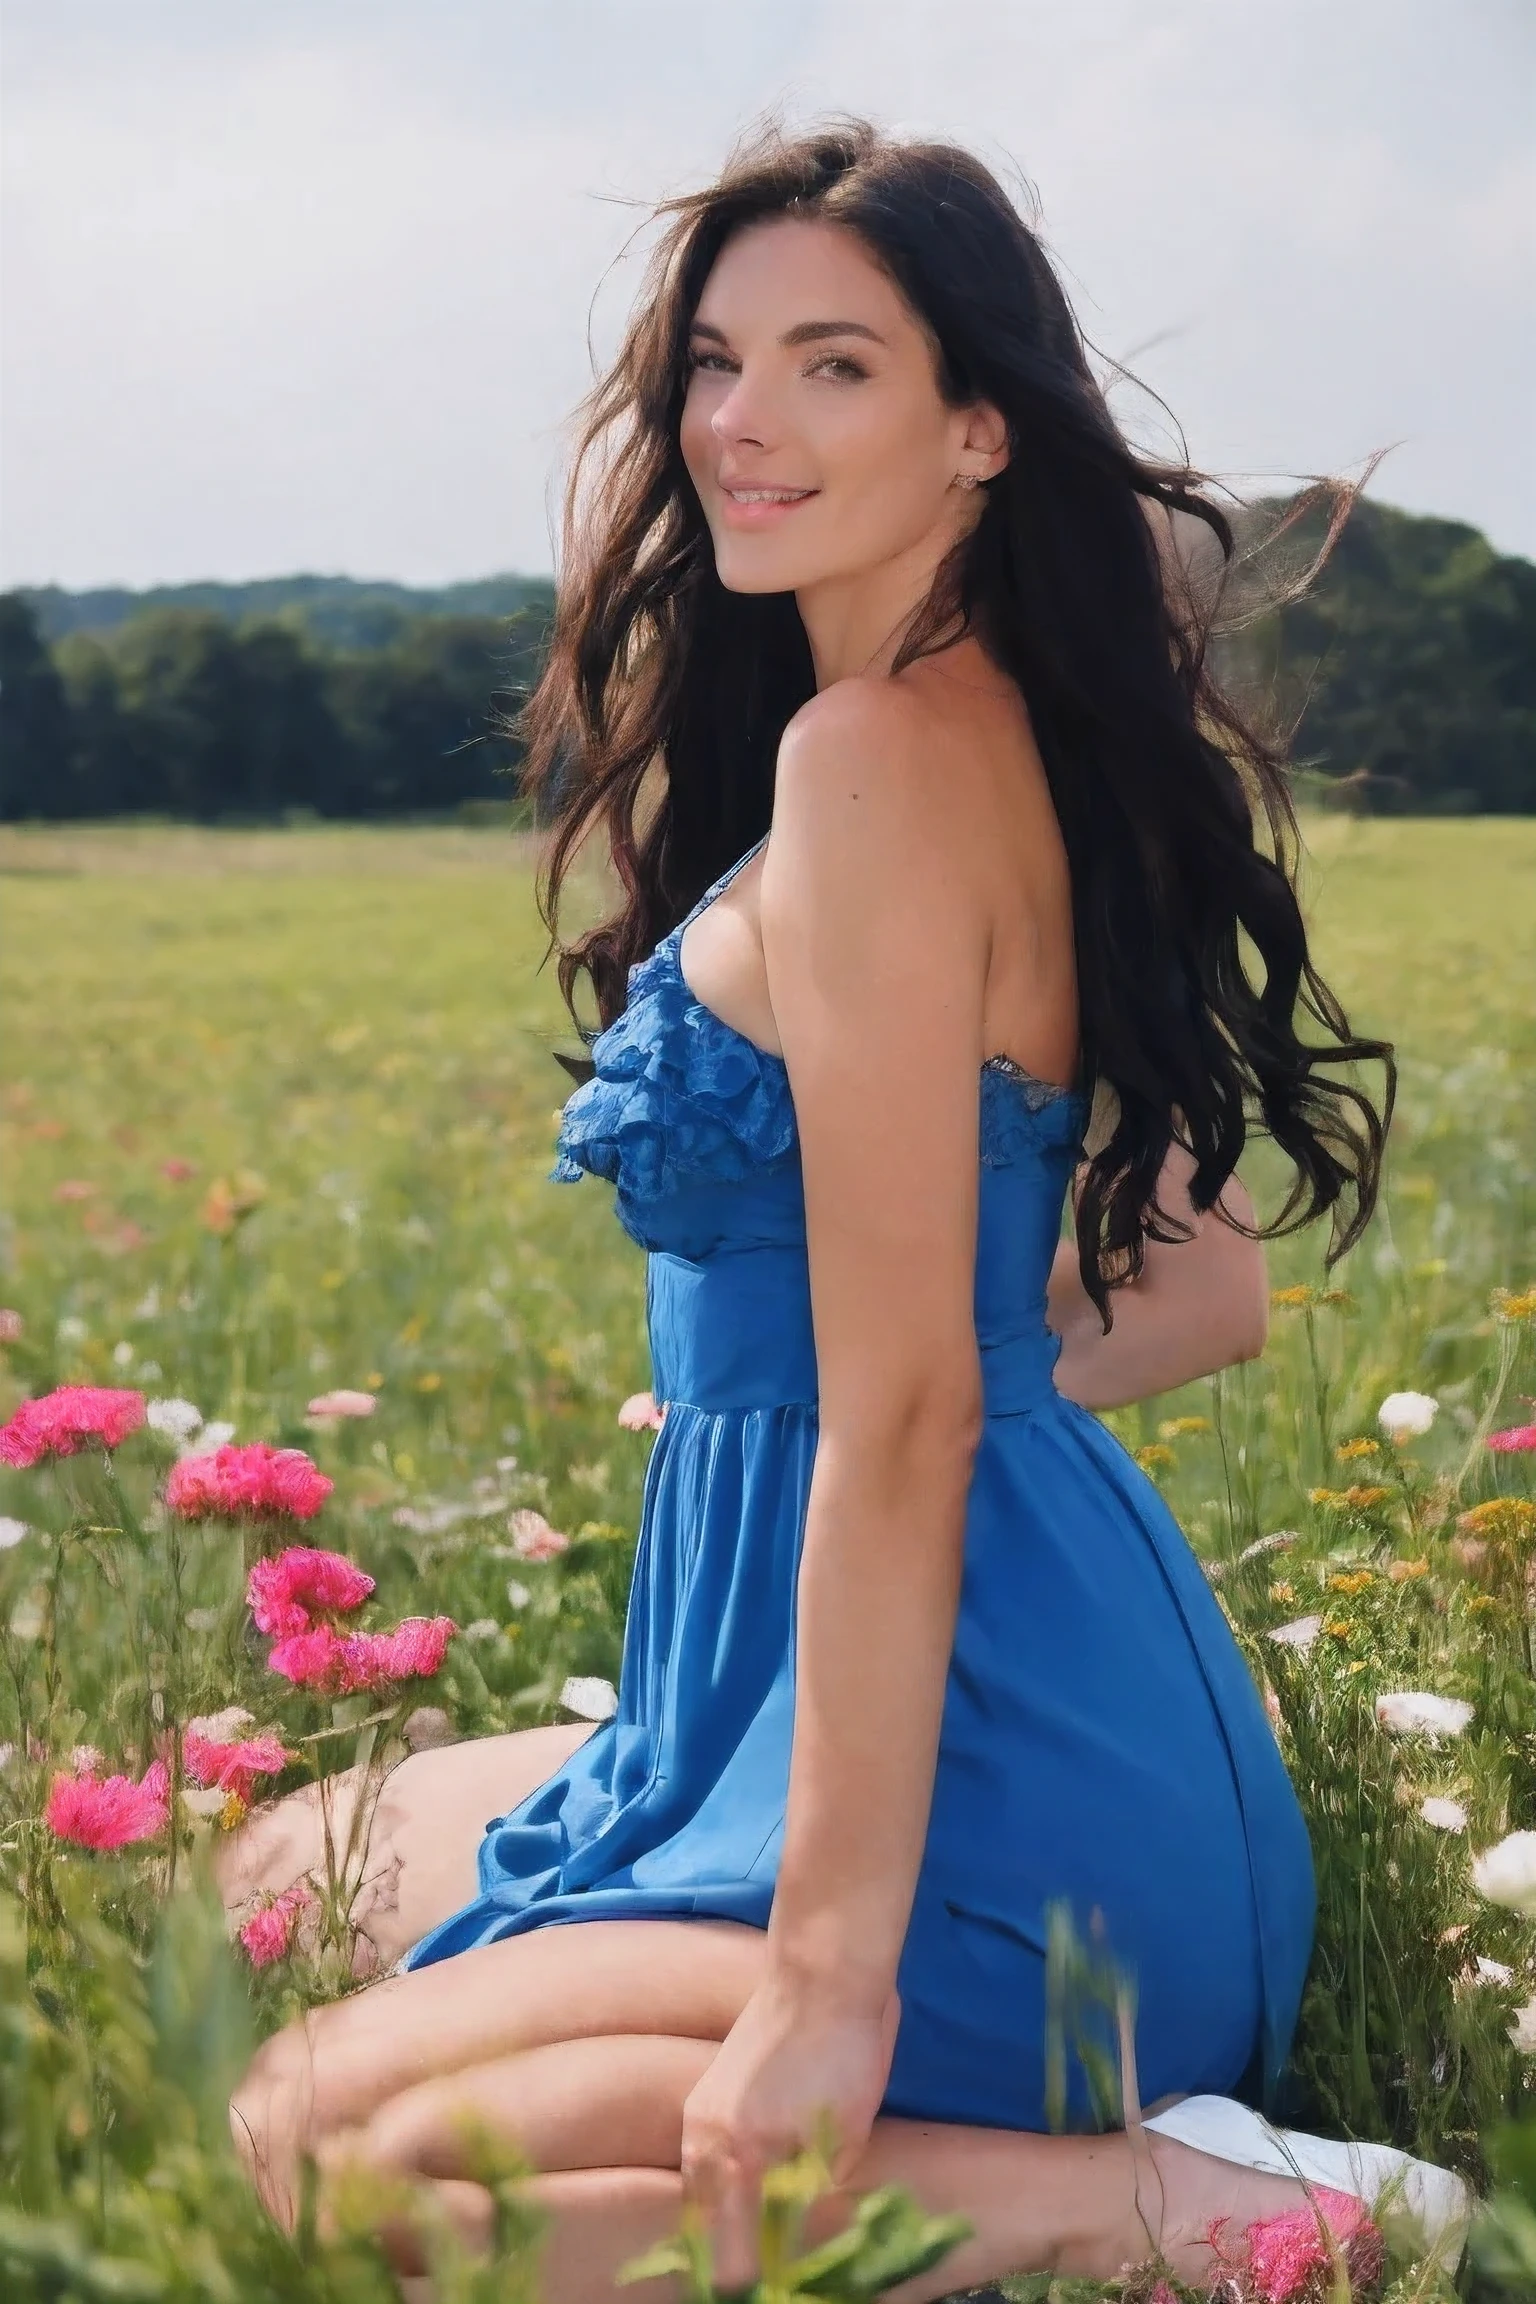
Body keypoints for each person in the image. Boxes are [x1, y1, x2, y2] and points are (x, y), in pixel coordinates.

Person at [221, 113, 1469, 2301]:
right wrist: (821, 1443)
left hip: (993, 1833)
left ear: (981, 428)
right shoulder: (1026, 738)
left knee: (314, 2155)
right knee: (272, 1872)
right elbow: (1201, 1294)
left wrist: (820, 1982)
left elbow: (911, 1417)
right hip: (990, 1720)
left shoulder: (873, 767)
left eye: (834, 366)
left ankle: (1219, 2212)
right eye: (716, 359)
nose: (741, 423)